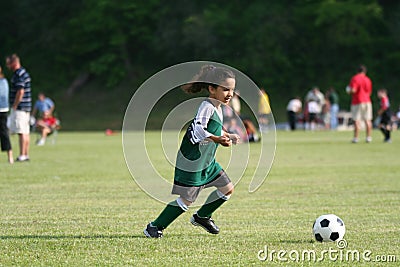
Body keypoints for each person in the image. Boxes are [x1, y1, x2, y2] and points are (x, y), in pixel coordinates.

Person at [144, 65, 240, 238]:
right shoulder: (207, 106)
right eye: (225, 89)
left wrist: (227, 135)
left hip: (207, 161)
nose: (230, 94)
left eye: (232, 90)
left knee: (227, 188)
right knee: (187, 200)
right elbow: (198, 130)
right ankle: (154, 226)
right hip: (193, 161)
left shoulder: (218, 108)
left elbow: (214, 129)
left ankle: (202, 217)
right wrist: (218, 139)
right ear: (212, 89)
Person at [6, 54, 32, 161]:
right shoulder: (24, 72)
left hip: (21, 107)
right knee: (26, 131)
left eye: (9, 63)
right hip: (27, 106)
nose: (7, 66)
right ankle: (25, 154)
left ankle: (22, 154)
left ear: (14, 63)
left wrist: (15, 105)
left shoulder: (18, 74)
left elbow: (20, 91)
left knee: (21, 131)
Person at [347, 64, 372, 143]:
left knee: (357, 120)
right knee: (368, 120)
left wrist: (348, 91)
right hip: (367, 101)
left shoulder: (355, 78)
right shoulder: (368, 79)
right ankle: (368, 137)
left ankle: (356, 138)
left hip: (357, 101)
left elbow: (354, 90)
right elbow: (369, 92)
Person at [0, 65, 13, 163]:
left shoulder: (3, 82)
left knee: (4, 133)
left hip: (2, 110)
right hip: (3, 109)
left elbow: (3, 96)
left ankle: (10, 156)